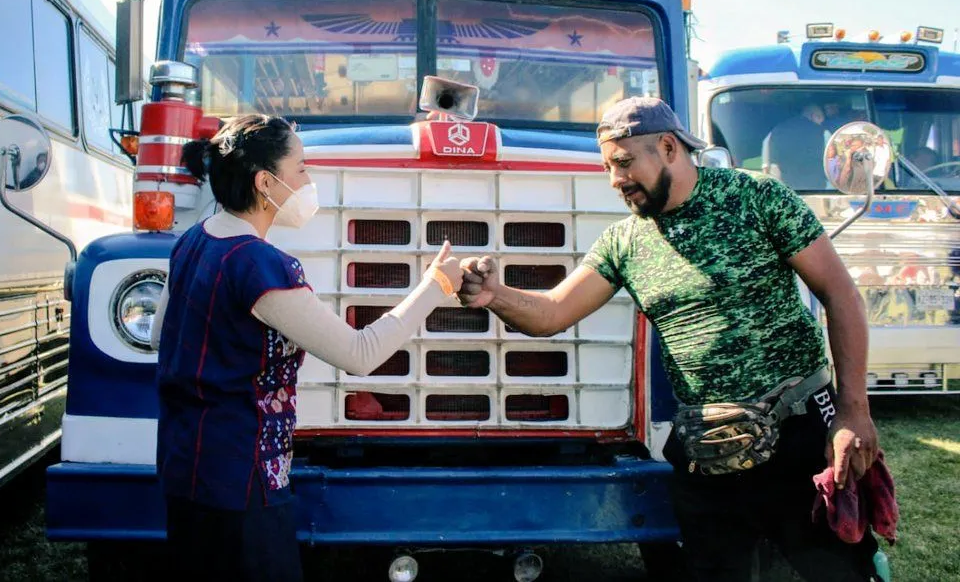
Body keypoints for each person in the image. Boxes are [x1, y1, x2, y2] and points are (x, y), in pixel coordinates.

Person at [458, 97, 883, 581]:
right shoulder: (624, 242)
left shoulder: (759, 199)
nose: (615, 179)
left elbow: (841, 295)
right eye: (607, 167)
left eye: (623, 162)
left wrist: (853, 411)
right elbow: (552, 313)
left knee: (838, 572)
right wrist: (494, 293)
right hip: (708, 450)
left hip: (799, 435)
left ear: (668, 147)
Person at [150, 114, 464, 582]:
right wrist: (436, 286)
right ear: (265, 182)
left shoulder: (192, 243)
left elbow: (160, 336)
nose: (309, 181)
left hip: (182, 467)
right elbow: (360, 353)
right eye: (300, 169)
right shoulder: (261, 265)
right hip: (241, 483)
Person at [763, 103, 829, 190]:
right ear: (813, 116)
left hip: (787, 194)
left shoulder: (774, 132)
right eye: (820, 118)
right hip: (819, 191)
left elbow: (768, 168)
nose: (821, 122)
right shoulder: (824, 133)